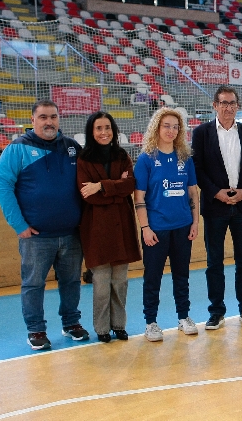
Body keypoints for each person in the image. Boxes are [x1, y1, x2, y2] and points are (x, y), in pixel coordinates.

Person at [0, 100, 88, 350]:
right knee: (34, 284)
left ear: (59, 119)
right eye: (43, 117)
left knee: (71, 281)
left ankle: (71, 324)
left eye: (53, 117)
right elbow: (3, 185)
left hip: (71, 233)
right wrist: (19, 225)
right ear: (33, 119)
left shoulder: (71, 147)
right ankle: (36, 329)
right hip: (36, 236)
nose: (49, 122)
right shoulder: (18, 148)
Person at [191, 85, 242, 330]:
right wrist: (216, 193)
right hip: (215, 207)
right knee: (214, 262)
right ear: (215, 105)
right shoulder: (201, 133)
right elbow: (197, 169)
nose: (228, 107)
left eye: (232, 103)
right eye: (223, 102)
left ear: (237, 106)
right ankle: (216, 312)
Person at [134, 107, 200, 342]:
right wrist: (145, 228)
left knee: (182, 276)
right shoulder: (146, 159)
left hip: (182, 226)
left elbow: (192, 193)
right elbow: (139, 198)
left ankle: (184, 317)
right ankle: (151, 322)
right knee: (153, 277)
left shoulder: (185, 158)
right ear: (156, 128)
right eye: (166, 126)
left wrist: (195, 223)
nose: (171, 130)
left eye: (175, 126)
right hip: (156, 229)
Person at [77, 111, 141, 343]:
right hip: (96, 229)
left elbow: (130, 185)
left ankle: (119, 325)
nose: (104, 132)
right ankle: (102, 328)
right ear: (91, 132)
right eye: (99, 128)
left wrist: (101, 186)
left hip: (121, 226)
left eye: (108, 128)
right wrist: (115, 187)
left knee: (120, 282)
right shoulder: (83, 159)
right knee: (101, 283)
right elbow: (88, 196)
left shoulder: (122, 155)